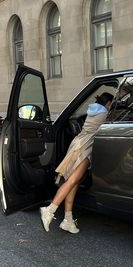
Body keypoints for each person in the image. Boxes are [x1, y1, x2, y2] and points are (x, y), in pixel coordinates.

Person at [40, 92, 114, 233]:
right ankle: (50, 210)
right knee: (72, 180)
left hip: (78, 144)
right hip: (85, 147)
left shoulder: (93, 111)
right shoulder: (104, 114)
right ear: (108, 103)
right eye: (112, 104)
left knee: (74, 182)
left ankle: (68, 220)